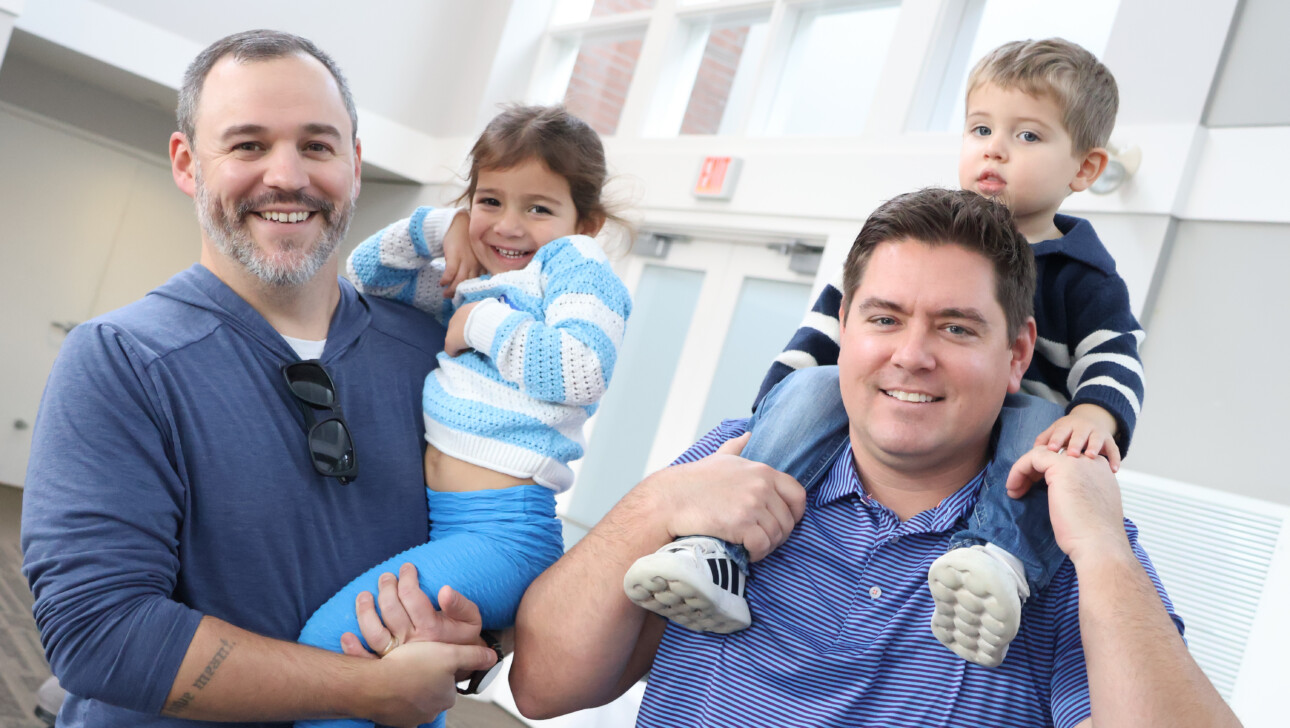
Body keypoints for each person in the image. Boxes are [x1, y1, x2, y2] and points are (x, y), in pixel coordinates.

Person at [508, 188, 1238, 726]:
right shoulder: (735, 460)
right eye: (884, 319)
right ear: (845, 327)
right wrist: (657, 503)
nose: (910, 356)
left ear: (1017, 354)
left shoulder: (1065, 533)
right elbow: (543, 687)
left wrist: (1105, 551)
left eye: (956, 328)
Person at [20, 30, 498, 728]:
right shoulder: (121, 360)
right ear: (188, 163)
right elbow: (100, 635)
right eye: (248, 145)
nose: (288, 176)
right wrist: (369, 689)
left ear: (354, 164)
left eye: (317, 145)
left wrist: (473, 634)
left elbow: (483, 553)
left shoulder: (431, 355)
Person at [623, 38, 1145, 667]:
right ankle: (716, 554)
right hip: (845, 427)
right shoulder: (911, 236)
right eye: (981, 128)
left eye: (1028, 137)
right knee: (811, 390)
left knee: (1042, 431)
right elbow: (825, 331)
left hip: (1016, 428)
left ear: (1085, 170)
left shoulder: (1084, 272)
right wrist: (776, 407)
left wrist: (1095, 415)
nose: (995, 149)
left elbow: (1115, 354)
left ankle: (994, 561)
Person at [293, 104, 631, 728]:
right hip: (454, 530)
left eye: (538, 208)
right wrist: (440, 229)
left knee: (333, 648)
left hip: (505, 536)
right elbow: (367, 275)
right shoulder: (484, 283)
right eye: (490, 200)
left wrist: (482, 323)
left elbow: (582, 367)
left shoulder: (575, 270)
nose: (509, 224)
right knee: (405, 672)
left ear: (586, 222)